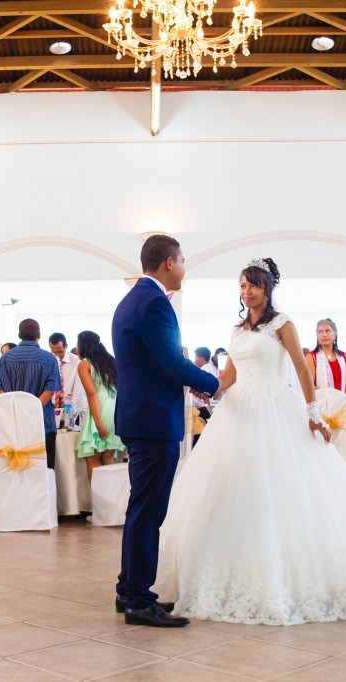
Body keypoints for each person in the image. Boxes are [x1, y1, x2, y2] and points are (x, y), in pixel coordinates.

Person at [154, 258, 346, 626]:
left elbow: (303, 369)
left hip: (274, 408)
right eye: (242, 285)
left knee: (281, 490)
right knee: (229, 490)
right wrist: (212, 390)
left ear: (267, 288)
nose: (247, 292)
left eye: (253, 285)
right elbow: (230, 374)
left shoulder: (282, 324)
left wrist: (313, 412)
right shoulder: (238, 329)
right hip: (238, 412)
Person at [111, 234, 220, 628]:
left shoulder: (133, 300)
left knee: (140, 507)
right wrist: (216, 384)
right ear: (169, 262)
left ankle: (129, 590)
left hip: (141, 417)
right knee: (149, 511)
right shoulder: (154, 302)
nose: (185, 269)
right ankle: (139, 599)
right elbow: (172, 365)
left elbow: (158, 362)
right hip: (154, 421)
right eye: (184, 261)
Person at [0, 319, 62, 468]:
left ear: (19, 335)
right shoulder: (49, 359)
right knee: (44, 470)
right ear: (39, 335)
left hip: (13, 424)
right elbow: (50, 389)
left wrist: (16, 409)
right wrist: (32, 410)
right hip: (43, 423)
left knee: (15, 471)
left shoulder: (5, 359)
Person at [76, 330, 125, 483]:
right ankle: (111, 500)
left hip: (100, 408)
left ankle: (99, 503)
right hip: (114, 409)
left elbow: (92, 394)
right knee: (109, 456)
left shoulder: (84, 364)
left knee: (92, 458)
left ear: (82, 345)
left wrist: (97, 423)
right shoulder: (111, 361)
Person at [305, 319, 346, 394]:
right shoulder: (311, 356)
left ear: (335, 335)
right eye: (320, 332)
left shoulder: (344, 356)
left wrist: (344, 401)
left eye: (327, 331)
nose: (324, 335)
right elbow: (310, 385)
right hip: (321, 402)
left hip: (342, 403)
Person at [49, 332, 87, 414]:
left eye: (60, 352)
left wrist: (70, 413)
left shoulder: (77, 362)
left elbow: (78, 391)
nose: (57, 355)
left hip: (71, 408)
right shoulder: (48, 361)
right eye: (53, 352)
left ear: (66, 346)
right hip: (52, 408)